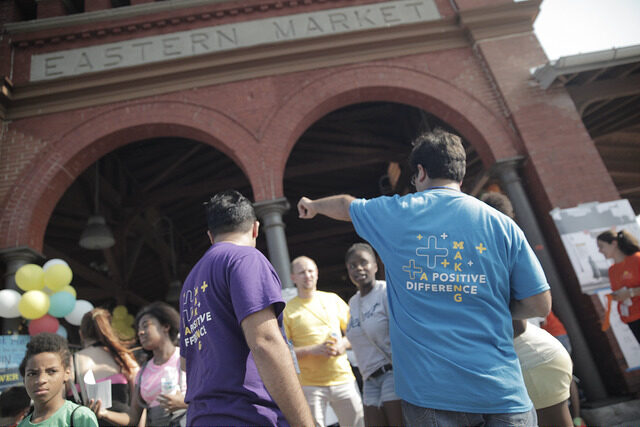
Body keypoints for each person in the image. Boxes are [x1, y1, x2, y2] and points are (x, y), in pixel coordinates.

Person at [297, 128, 551, 426]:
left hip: (432, 395)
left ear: (420, 172)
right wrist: (491, 303)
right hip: (503, 391)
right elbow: (539, 304)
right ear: (460, 173)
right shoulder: (502, 225)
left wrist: (313, 206)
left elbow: (345, 204)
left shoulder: (397, 214)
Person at [179, 190, 313, 426]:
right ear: (255, 229)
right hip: (247, 414)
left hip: (201, 416)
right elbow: (266, 343)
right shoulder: (246, 259)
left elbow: (185, 361)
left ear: (211, 235)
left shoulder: (190, 284)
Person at [481, 192, 574, 427]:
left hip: (532, 360)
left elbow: (521, 322)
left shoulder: (501, 253)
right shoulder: (500, 251)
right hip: (525, 357)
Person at [284, 255, 364, 427]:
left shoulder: (332, 299)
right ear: (293, 278)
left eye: (311, 271)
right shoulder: (287, 310)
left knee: (358, 423)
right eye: (302, 272)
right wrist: (311, 350)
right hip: (309, 385)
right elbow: (283, 352)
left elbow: (356, 331)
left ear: (317, 273)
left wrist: (343, 343)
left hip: (343, 378)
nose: (308, 275)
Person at [89, 302, 188, 426]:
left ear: (166, 326)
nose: (140, 332)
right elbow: (133, 418)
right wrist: (104, 413)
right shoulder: (143, 372)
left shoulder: (185, 359)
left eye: (146, 326)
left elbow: (211, 397)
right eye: (139, 329)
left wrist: (183, 403)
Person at [344, 243, 403, 426]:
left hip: (391, 373)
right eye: (352, 266)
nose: (358, 268)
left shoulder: (385, 292)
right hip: (369, 379)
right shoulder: (353, 302)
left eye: (363, 262)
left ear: (376, 266)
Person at [73, 308, 139, 427]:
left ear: (81, 334)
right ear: (108, 330)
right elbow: (139, 404)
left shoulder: (71, 362)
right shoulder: (124, 358)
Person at [18, 333, 98, 427]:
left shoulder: (80, 417)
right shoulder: (22, 425)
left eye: (51, 371)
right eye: (32, 374)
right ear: (24, 378)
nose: (41, 380)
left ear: (66, 373)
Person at [596, 229, 640, 343]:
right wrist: (616, 296)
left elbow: (630, 291)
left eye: (602, 246)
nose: (599, 251)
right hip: (631, 318)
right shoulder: (612, 270)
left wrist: (630, 293)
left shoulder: (637, 259)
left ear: (614, 243)